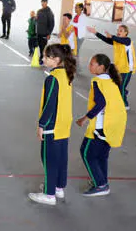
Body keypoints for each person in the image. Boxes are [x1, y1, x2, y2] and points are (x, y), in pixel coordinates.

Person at [28, 44, 76, 206]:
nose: (42, 59)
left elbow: (49, 104)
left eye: (45, 56)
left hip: (52, 126)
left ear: (56, 60)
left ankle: (49, 194)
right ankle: (58, 187)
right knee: (61, 158)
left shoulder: (52, 78)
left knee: (49, 159)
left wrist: (42, 124)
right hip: (63, 124)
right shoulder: (67, 75)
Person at [76, 54, 127, 197]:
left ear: (101, 67)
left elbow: (101, 103)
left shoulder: (98, 81)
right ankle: (102, 181)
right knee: (102, 156)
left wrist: (85, 118)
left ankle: (100, 185)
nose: (89, 66)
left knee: (86, 153)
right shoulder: (111, 80)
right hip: (114, 123)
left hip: (102, 125)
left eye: (92, 64)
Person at [87, 25, 135, 109]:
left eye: (121, 30)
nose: (118, 32)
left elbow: (119, 39)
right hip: (119, 67)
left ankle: (125, 104)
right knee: (118, 84)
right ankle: (125, 91)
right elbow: (106, 40)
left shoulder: (127, 41)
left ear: (126, 33)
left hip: (127, 69)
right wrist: (95, 32)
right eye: (118, 30)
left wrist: (112, 36)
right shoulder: (117, 41)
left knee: (121, 87)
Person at [36, 0, 55, 66]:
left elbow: (52, 24)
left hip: (45, 33)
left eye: (44, 2)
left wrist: (49, 33)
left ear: (46, 3)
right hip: (39, 32)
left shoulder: (49, 12)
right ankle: (42, 58)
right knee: (40, 47)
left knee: (43, 47)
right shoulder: (39, 11)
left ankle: (42, 59)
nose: (43, 3)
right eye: (42, 2)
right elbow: (37, 20)